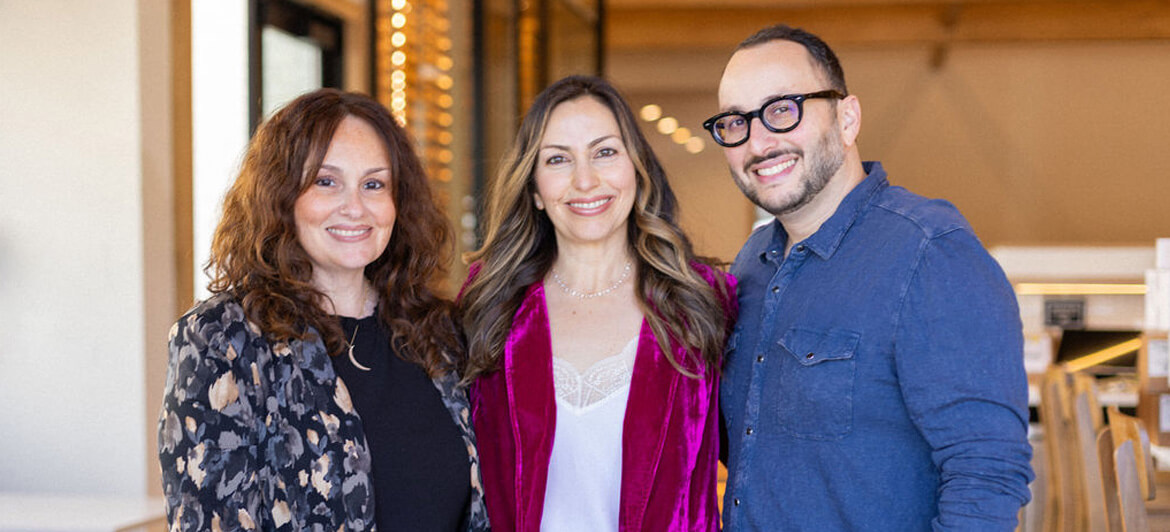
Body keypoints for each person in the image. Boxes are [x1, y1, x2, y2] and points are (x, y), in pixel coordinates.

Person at [704, 25, 1034, 530]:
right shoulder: (751, 263)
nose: (759, 141)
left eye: (782, 110)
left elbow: (986, 473)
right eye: (735, 122)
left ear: (847, 117)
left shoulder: (930, 252)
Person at [158, 88, 489, 531]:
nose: (355, 207)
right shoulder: (221, 339)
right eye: (326, 181)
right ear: (282, 195)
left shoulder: (439, 332)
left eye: (374, 184)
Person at [457, 75, 736, 531]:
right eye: (558, 159)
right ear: (534, 190)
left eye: (605, 152)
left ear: (636, 168)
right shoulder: (490, 303)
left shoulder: (702, 300)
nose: (585, 180)